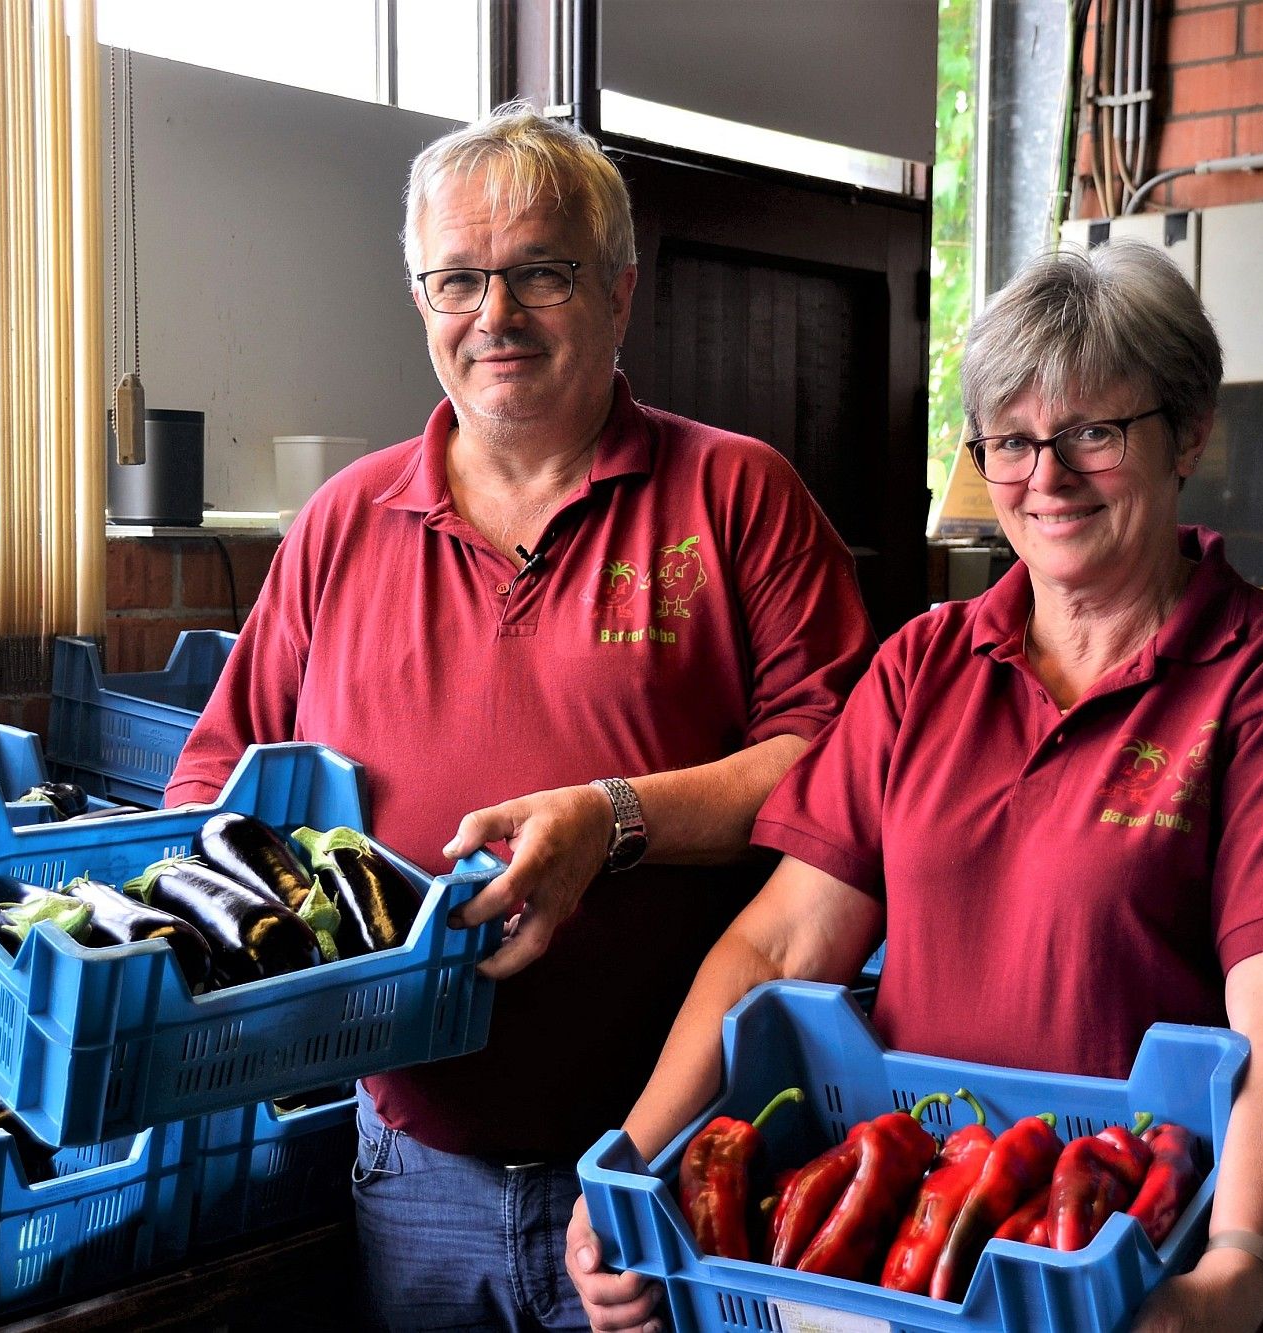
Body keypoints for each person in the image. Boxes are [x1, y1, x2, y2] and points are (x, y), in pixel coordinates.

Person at [570, 239, 1263, 1333]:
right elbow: (778, 944)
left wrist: (1238, 1267)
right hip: (940, 1271)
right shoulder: (924, 666)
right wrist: (630, 1167)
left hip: (1158, 1277)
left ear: (1186, 431)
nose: (1044, 478)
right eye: (1009, 442)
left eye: (1091, 433)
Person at [164, 101, 873, 1331]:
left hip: (674, 1165)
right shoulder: (341, 521)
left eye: (538, 273)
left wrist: (617, 818)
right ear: (421, 296)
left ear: (616, 291)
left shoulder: (736, 495)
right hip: (410, 1166)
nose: (493, 316)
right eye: (455, 279)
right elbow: (214, 788)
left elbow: (848, 782)